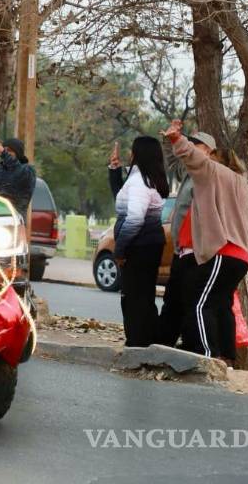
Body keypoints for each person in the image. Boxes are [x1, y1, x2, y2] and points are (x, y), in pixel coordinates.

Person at [163, 120, 248, 362]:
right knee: (220, 304)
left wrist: (176, 139)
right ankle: (226, 357)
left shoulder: (214, 173)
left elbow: (194, 158)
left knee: (197, 302)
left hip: (224, 253)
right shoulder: (241, 184)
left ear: (216, 158)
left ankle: (207, 356)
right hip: (241, 257)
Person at [156, 129, 217, 347]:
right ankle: (164, 343)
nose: (189, 149)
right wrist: (169, 139)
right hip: (180, 249)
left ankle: (192, 346)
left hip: (195, 251)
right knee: (172, 300)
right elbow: (174, 159)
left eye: (195, 146)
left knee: (190, 301)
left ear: (208, 152)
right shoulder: (190, 173)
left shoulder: (206, 174)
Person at [111, 136, 169, 347]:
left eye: (132, 150)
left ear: (138, 154)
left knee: (133, 296)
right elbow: (120, 198)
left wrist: (119, 250)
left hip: (139, 246)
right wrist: (114, 170)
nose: (129, 154)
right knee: (144, 295)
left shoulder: (139, 182)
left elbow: (134, 218)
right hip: (150, 244)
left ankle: (137, 342)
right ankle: (147, 339)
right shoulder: (149, 179)